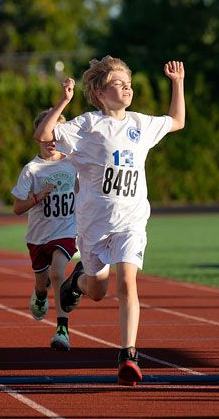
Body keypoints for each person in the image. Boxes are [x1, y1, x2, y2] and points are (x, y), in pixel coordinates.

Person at [34, 56, 185, 386]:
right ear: (100, 92)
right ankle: (78, 282)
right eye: (119, 82)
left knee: (127, 282)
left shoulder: (141, 124)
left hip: (131, 221)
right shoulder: (87, 125)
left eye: (129, 82)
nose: (127, 87)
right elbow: (44, 135)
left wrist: (177, 83)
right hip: (93, 225)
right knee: (98, 290)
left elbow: (176, 121)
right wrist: (63, 101)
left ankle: (128, 354)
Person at [11, 111, 78, 351]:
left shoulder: (73, 163)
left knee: (58, 272)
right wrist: (37, 198)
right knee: (42, 283)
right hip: (38, 237)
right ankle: (40, 295)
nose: (51, 142)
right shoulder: (32, 170)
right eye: (46, 137)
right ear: (38, 138)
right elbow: (17, 207)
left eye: (55, 136)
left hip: (67, 232)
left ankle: (62, 328)